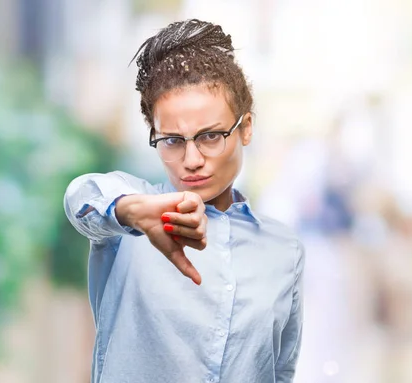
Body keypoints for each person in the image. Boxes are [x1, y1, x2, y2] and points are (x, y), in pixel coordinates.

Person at [63, 19, 305, 383]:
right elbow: (82, 199)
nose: (191, 160)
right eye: (173, 140)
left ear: (247, 127)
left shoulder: (284, 250)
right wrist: (132, 212)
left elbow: (280, 371)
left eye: (210, 136)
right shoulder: (129, 220)